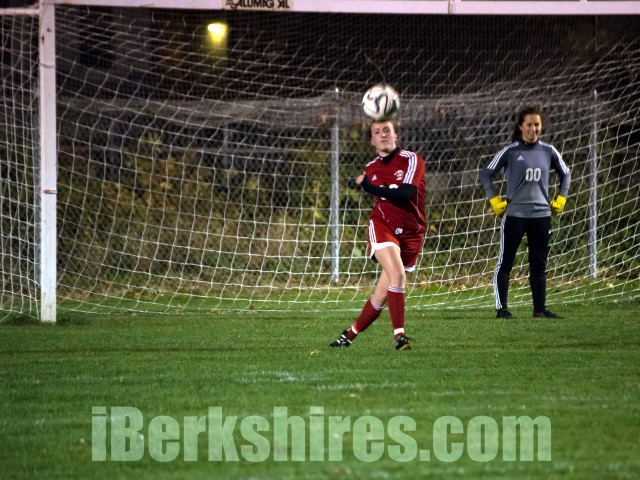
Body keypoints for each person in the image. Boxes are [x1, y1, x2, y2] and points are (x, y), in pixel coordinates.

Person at [330, 119, 426, 350]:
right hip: (382, 226)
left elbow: (405, 193)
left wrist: (368, 187)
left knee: (381, 295)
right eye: (376, 132)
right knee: (398, 276)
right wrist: (367, 184)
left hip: (411, 233)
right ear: (372, 140)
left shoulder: (412, 159)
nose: (382, 135)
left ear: (395, 135)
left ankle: (348, 335)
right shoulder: (371, 168)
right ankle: (399, 336)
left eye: (387, 130)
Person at [479, 106, 571, 319]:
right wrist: (494, 200)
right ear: (521, 126)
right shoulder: (510, 151)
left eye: (536, 124)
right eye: (529, 124)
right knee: (506, 262)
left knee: (539, 264)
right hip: (515, 216)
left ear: (541, 126)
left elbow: (566, 174)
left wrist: (561, 199)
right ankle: (502, 309)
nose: (533, 129)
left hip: (541, 215)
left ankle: (540, 309)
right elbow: (485, 173)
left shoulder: (549, 151)